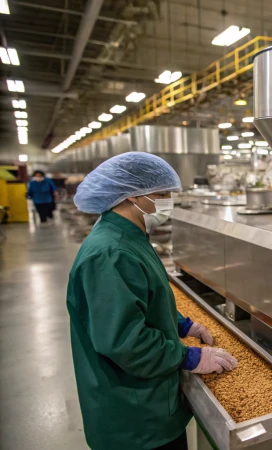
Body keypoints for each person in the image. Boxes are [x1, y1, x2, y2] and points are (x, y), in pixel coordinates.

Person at [67, 152, 238, 450]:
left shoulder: (130, 234)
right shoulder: (111, 254)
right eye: (161, 194)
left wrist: (183, 325)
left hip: (151, 407)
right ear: (130, 196)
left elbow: (141, 301)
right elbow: (125, 342)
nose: (167, 202)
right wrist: (189, 357)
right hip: (135, 421)